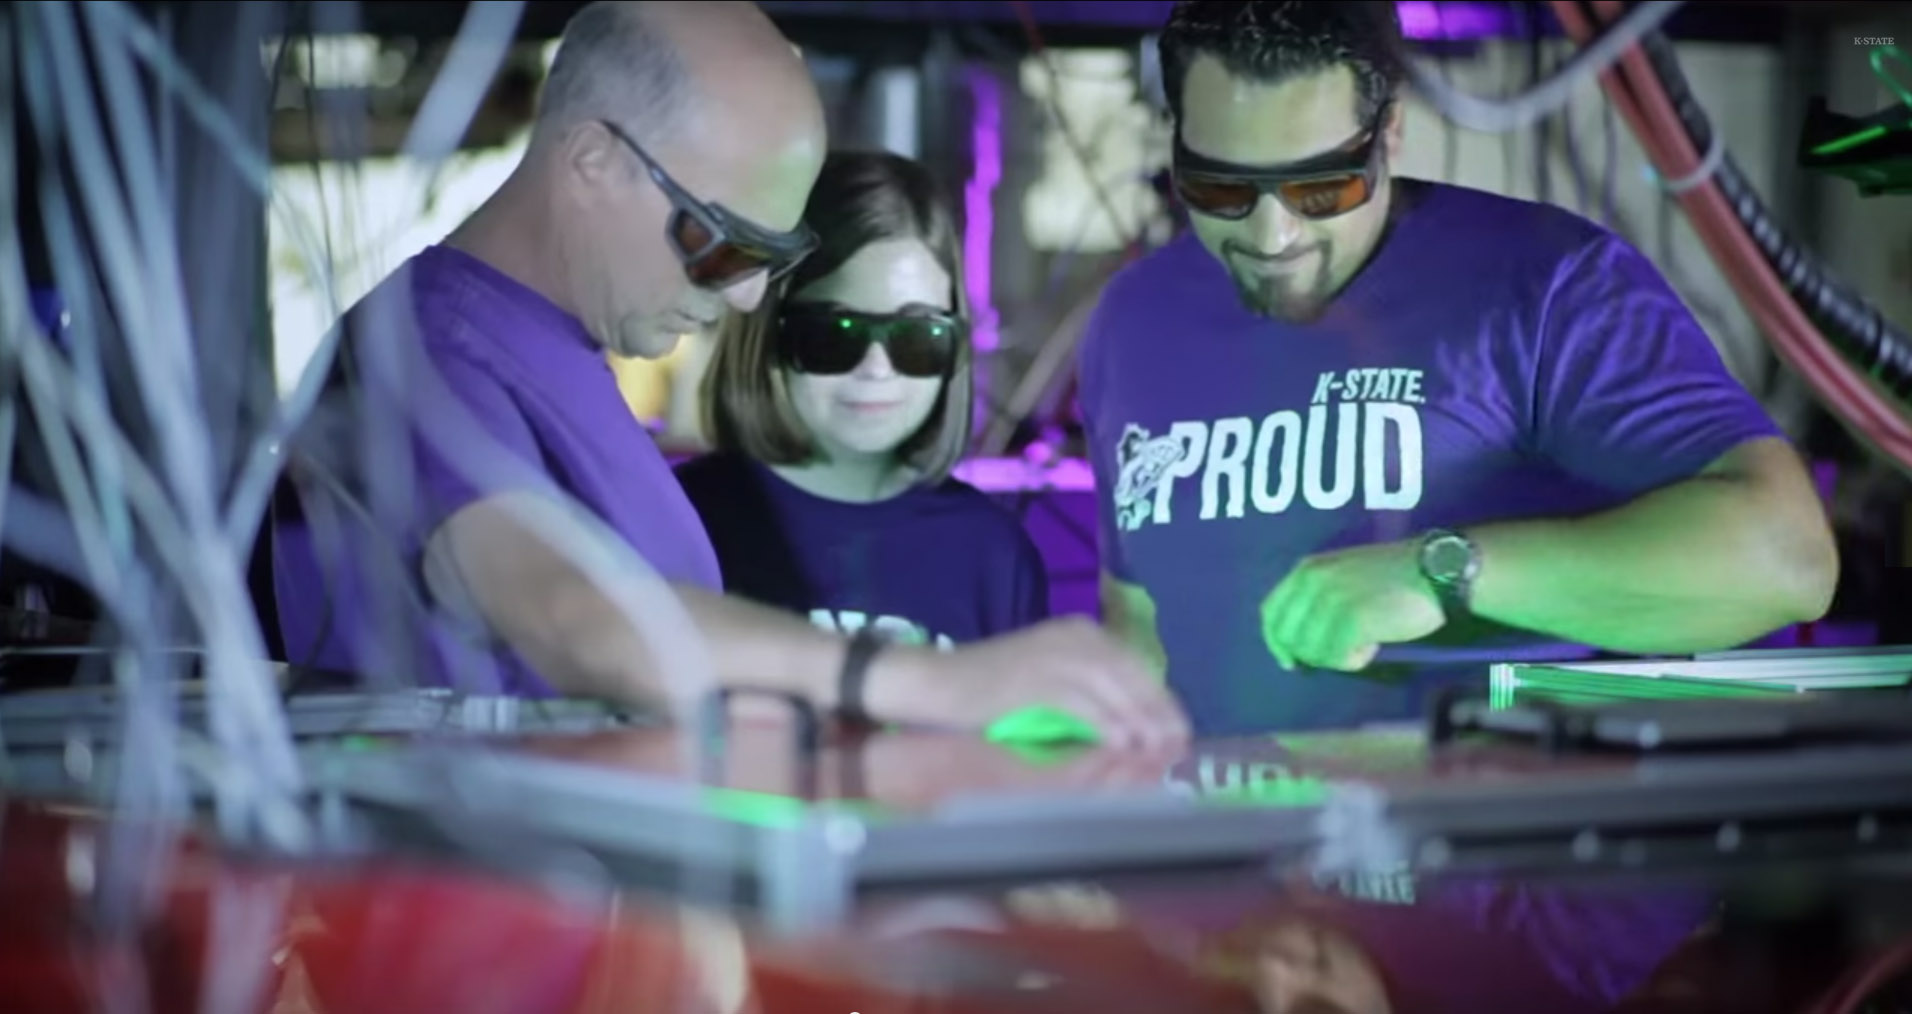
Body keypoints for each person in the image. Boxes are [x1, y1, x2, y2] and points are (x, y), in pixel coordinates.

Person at [271, 1, 1185, 746]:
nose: (748, 299)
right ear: (593, 160)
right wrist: (923, 680)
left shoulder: (552, 356)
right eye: (725, 242)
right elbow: (566, 612)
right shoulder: (425, 350)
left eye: (771, 257)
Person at [1077, 0, 1837, 735]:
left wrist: (1443, 574)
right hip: (1217, 849)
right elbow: (1140, 623)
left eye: (1321, 188)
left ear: (1392, 133)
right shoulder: (1133, 319)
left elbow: (1788, 559)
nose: (1272, 236)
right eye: (1221, 188)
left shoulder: (1546, 287)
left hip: (1493, 846)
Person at [677, 151, 1050, 649]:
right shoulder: (683, 520)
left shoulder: (993, 555)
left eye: (917, 337)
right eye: (835, 334)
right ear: (768, 334)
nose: (877, 368)